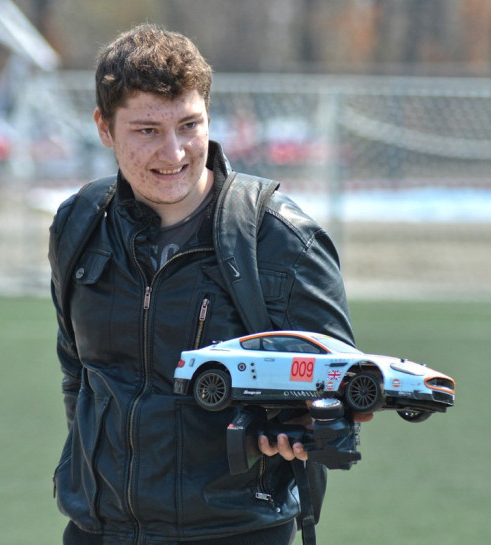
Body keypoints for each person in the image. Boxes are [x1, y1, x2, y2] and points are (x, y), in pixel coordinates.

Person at [48, 24, 369, 545]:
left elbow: (341, 393)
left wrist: (307, 428)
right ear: (104, 128)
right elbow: (77, 369)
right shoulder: (81, 224)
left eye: (189, 125)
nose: (174, 152)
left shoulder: (280, 239)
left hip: (234, 531)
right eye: (147, 130)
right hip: (97, 529)